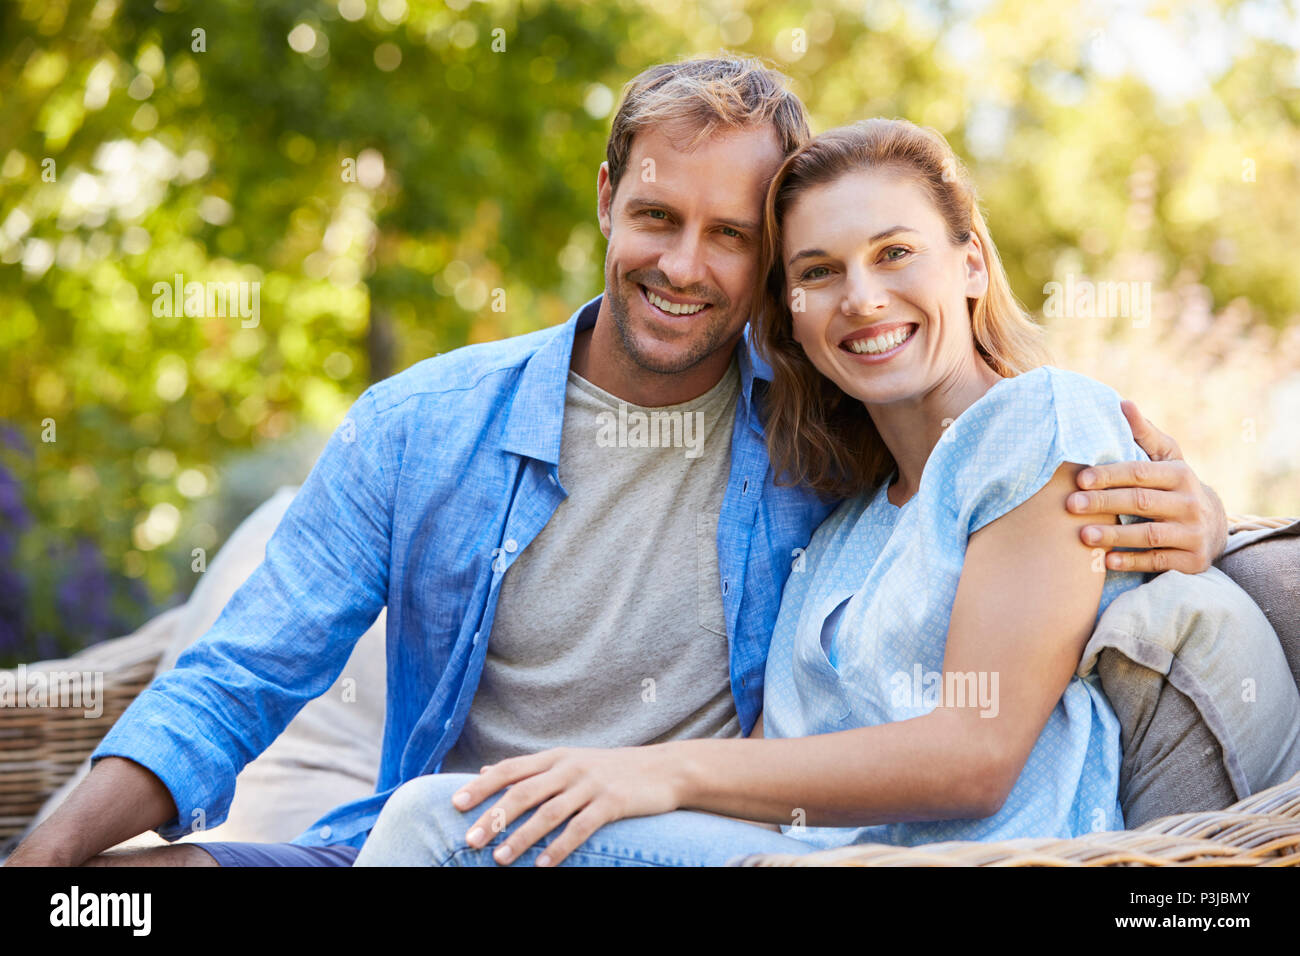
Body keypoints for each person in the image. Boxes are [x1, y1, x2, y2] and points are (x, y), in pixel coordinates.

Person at [6, 56, 1226, 869]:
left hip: (660, 834)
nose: (684, 265)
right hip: (437, 838)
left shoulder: (817, 435)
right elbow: (234, 679)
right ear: (605, 201)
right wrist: (49, 862)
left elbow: (1012, 518)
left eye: (734, 237)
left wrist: (1203, 517)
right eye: (657, 216)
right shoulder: (426, 426)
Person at [351, 117, 1196, 866]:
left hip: (982, 858)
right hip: (780, 855)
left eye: (895, 252)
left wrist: (650, 774)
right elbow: (771, 756)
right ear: (787, 311)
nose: (863, 298)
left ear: (971, 262)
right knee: (466, 815)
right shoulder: (839, 526)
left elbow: (975, 756)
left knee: (439, 823)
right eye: (820, 271)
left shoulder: (1037, 421)